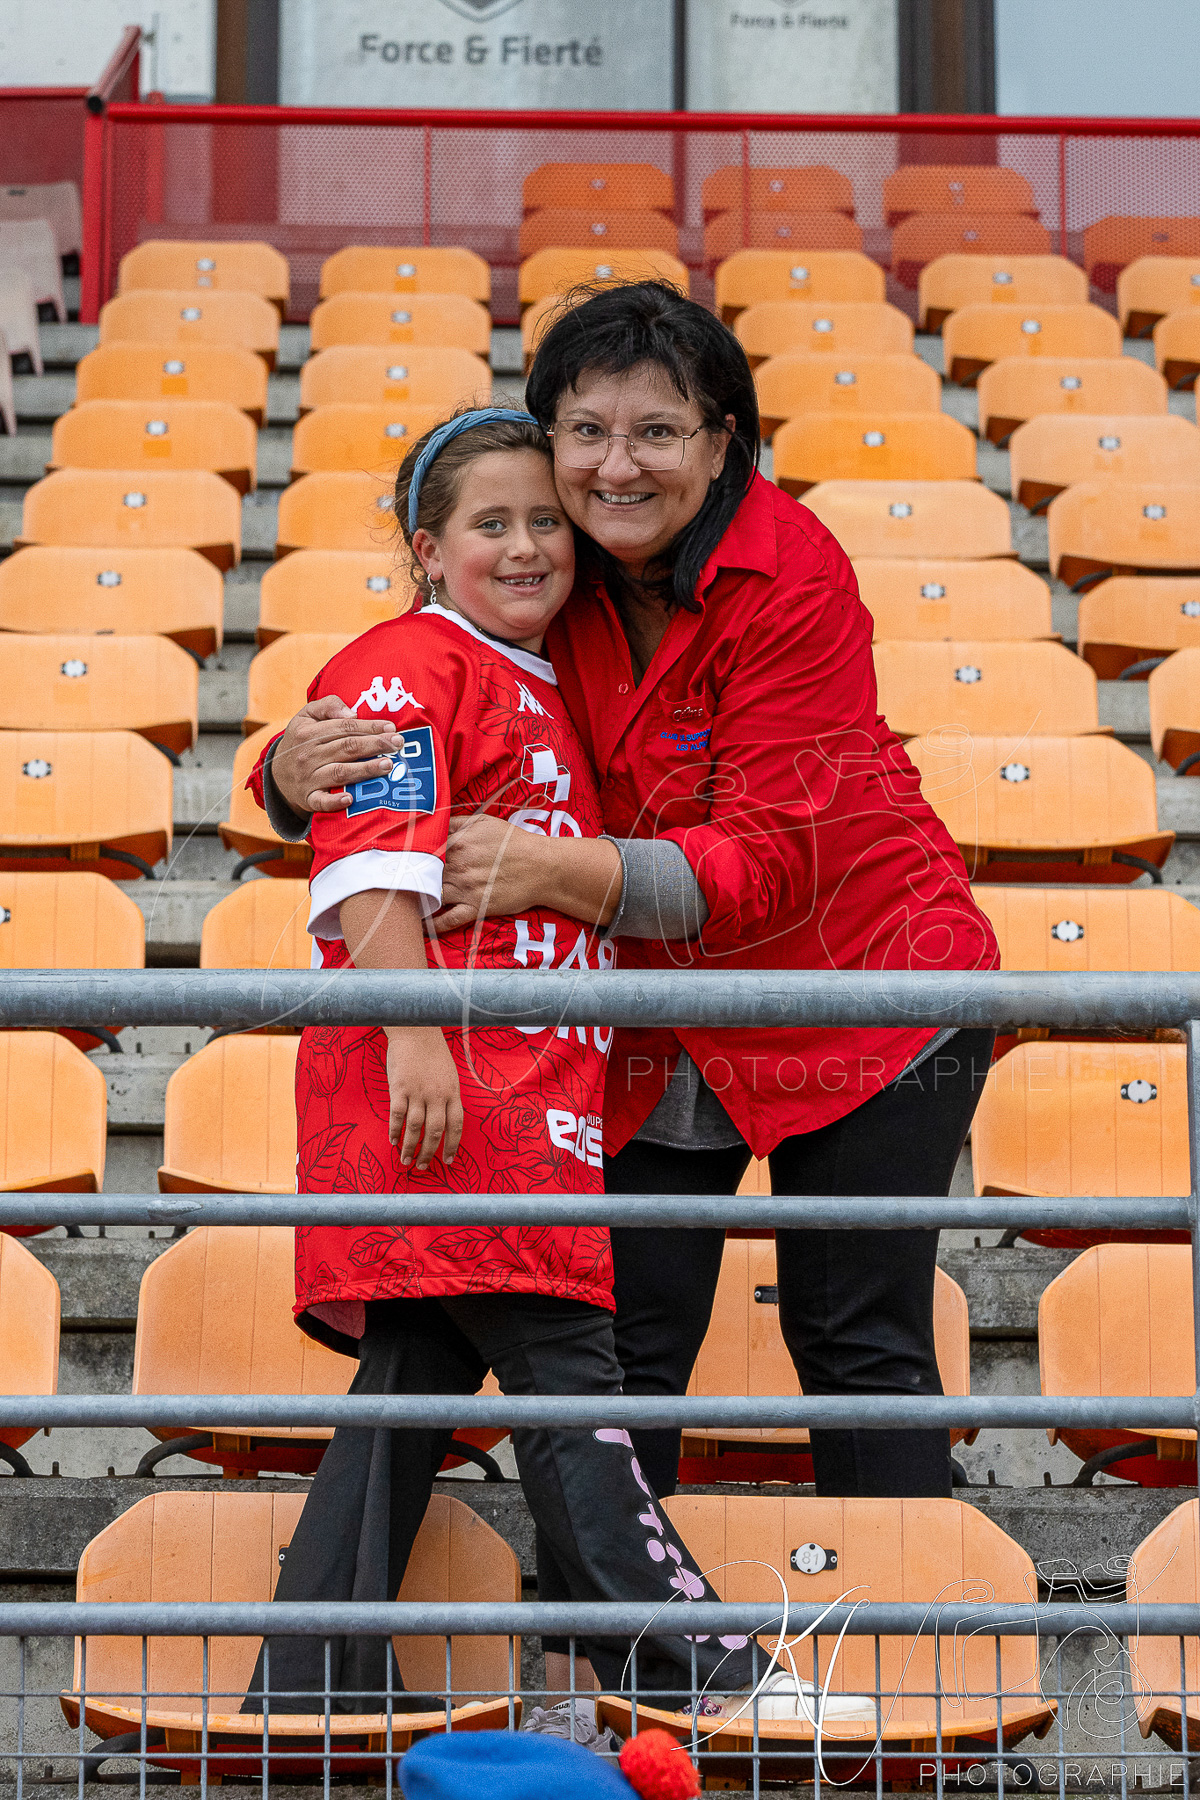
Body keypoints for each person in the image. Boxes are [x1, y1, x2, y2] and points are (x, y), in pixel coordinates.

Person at [256, 282, 998, 1694]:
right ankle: (639, 1691)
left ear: (724, 440)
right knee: (628, 1346)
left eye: (655, 431)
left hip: (863, 991)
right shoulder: (559, 555)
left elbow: (768, 867)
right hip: (652, 1014)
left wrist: (546, 874)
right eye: (582, 430)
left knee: (862, 1344)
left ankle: (915, 1681)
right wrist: (292, 775)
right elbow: (408, 692)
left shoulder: (796, 578)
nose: (611, 467)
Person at [245, 407, 795, 1730]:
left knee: (412, 1382)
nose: (531, 543)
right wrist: (420, 1036)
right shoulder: (409, 661)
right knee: (570, 1373)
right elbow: (370, 860)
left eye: (547, 519)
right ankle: (696, 1672)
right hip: (452, 1089)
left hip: (519, 1094)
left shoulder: (548, 680)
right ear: (426, 551)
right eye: (492, 523)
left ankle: (303, 1696)